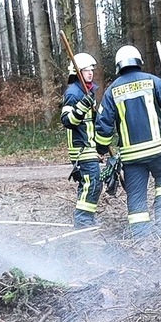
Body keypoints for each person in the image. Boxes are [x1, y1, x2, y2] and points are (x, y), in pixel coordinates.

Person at [95, 45, 161, 238]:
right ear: (139, 61)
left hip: (132, 158)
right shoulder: (153, 81)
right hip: (160, 150)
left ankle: (142, 238)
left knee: (136, 197)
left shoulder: (112, 91)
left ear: (118, 66)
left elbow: (103, 126)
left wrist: (101, 147)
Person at [60, 53, 102, 228]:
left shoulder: (88, 91)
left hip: (89, 146)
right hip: (81, 148)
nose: (90, 73)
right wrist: (82, 106)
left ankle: (86, 217)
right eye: (86, 70)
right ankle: (83, 219)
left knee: (90, 182)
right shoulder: (73, 93)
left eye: (91, 69)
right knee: (92, 182)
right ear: (77, 72)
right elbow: (67, 121)